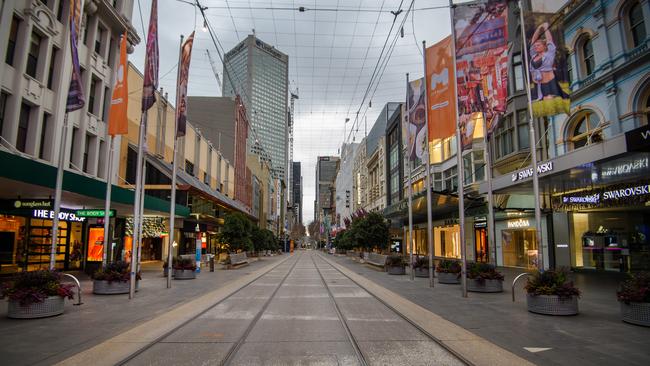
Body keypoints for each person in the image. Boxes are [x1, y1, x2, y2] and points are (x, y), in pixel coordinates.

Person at [529, 22, 569, 101]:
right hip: (539, 85)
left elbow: (549, 40)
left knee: (551, 99)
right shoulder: (533, 56)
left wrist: (545, 28)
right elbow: (533, 41)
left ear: (544, 46)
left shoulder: (549, 54)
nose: (536, 47)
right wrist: (538, 29)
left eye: (538, 45)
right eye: (535, 46)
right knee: (541, 100)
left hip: (550, 83)